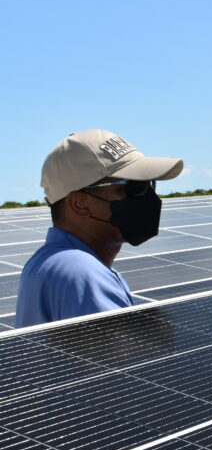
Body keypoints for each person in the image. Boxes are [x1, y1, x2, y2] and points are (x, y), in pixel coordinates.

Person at [16, 129, 184, 328]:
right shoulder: (83, 273)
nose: (147, 196)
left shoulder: (50, 261)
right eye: (133, 187)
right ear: (80, 204)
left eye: (148, 185)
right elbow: (117, 358)